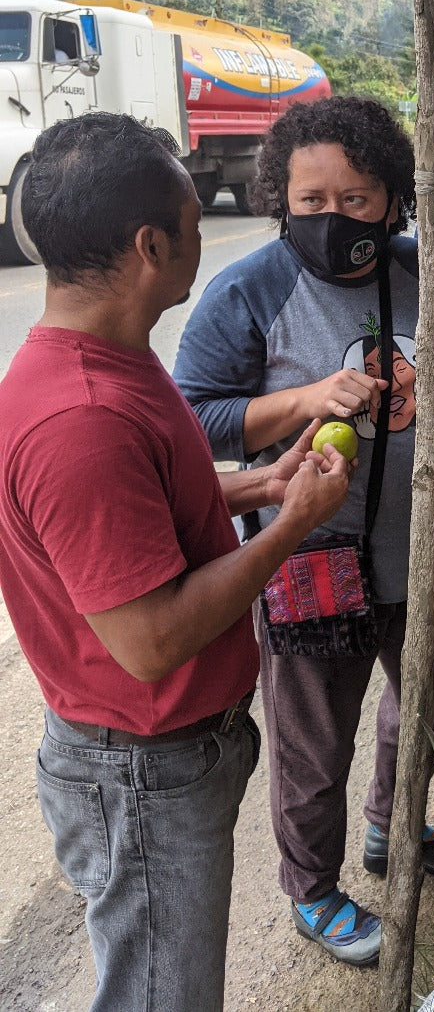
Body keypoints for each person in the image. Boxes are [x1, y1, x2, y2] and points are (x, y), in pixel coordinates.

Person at [0, 112, 352, 1011]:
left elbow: (154, 516)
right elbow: (151, 637)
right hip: (141, 769)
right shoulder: (81, 419)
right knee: (164, 993)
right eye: (197, 223)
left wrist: (260, 486)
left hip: (163, 754)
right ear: (150, 245)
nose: (209, 236)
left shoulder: (112, 358)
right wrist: (291, 529)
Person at [173, 95, 434, 968]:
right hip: (307, 562)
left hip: (424, 551)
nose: (332, 219)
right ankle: (313, 888)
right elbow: (193, 417)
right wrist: (302, 401)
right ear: (278, 197)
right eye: (310, 201)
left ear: (393, 199)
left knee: (427, 714)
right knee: (314, 742)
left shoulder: (424, 275)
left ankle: (388, 828)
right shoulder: (248, 291)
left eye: (355, 200)